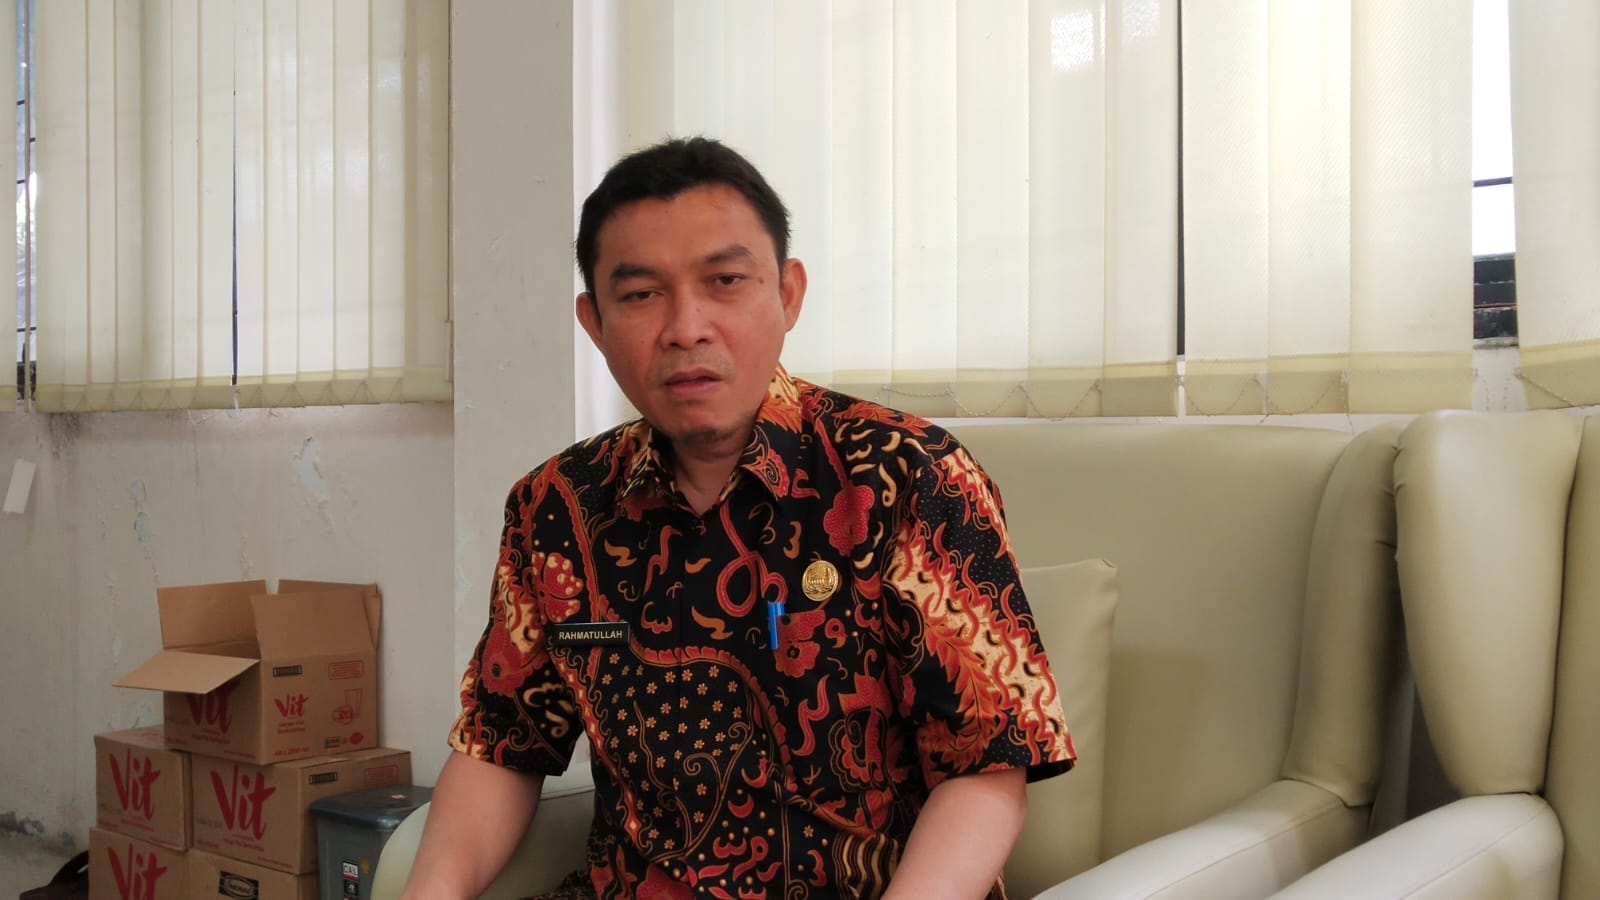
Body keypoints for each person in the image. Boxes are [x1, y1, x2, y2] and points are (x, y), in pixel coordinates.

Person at [401, 137, 1074, 900]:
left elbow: (986, 768)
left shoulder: (905, 474)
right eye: (641, 294)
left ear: (788, 294)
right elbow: (502, 745)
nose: (686, 328)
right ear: (594, 322)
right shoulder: (556, 506)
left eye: (724, 281)